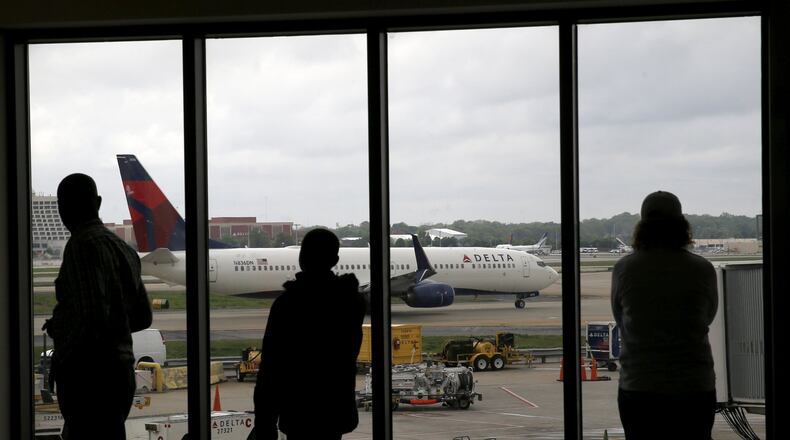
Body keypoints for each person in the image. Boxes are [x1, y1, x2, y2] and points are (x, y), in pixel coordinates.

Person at [43, 173, 152, 440]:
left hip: (89, 378)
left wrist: (63, 347)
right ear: (99, 203)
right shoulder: (122, 249)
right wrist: (117, 326)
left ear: (62, 208)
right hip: (120, 375)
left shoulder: (81, 246)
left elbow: (91, 321)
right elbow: (143, 317)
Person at [611, 191, 718, 439]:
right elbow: (708, 317)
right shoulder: (702, 269)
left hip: (640, 386)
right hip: (693, 386)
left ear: (642, 226)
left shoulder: (625, 269)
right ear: (682, 225)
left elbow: (620, 318)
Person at [254, 228, 366, 440]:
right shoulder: (351, 302)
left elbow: (271, 368)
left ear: (301, 258)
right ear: (335, 259)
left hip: (298, 409)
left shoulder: (287, 304)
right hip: (334, 409)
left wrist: (265, 422)